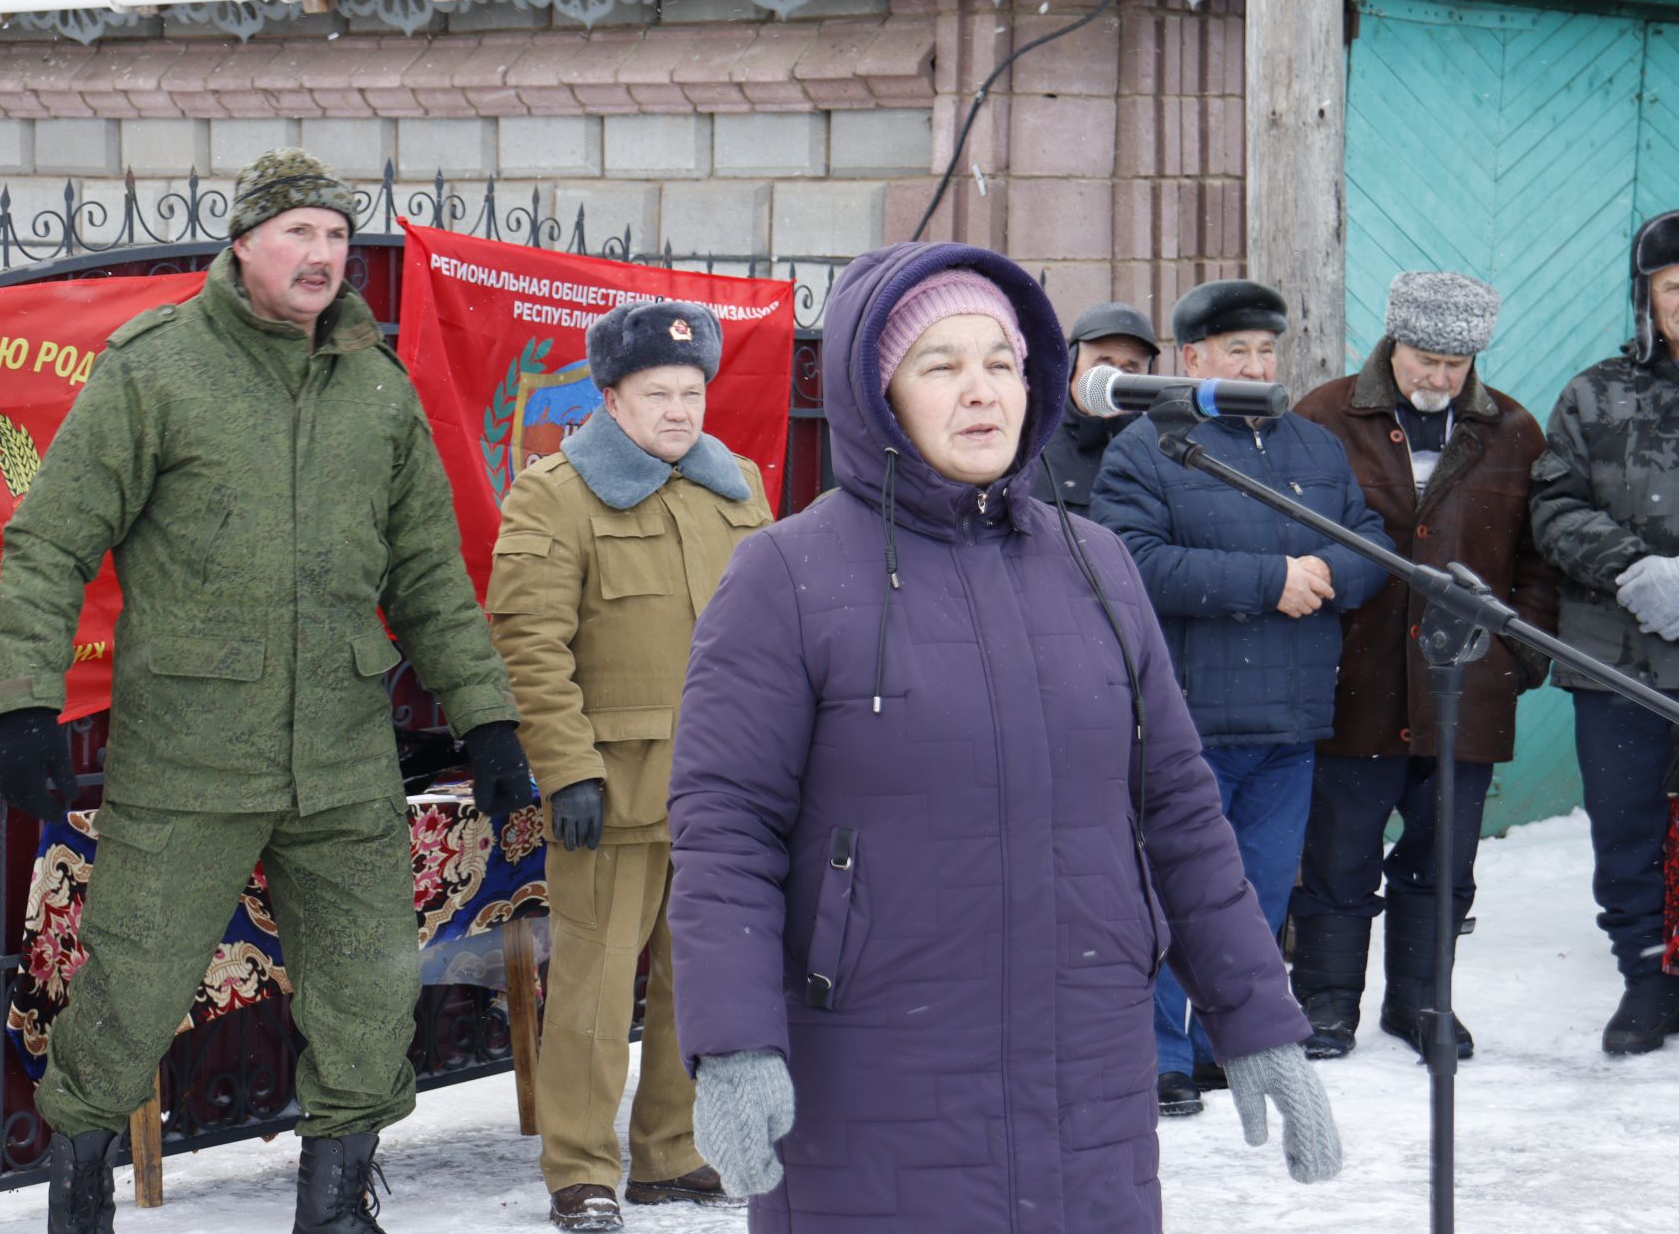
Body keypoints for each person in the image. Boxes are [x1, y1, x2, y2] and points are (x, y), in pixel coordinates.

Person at [666, 244, 1340, 1234]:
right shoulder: (787, 574)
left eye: (1002, 361)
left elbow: (1180, 812)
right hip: (878, 1070)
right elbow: (727, 829)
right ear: (876, 392)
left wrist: (1258, 1022)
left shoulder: (1097, 562)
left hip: (1088, 1078)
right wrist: (734, 1043)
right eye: (940, 365)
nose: (981, 391)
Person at [0, 148, 533, 1234]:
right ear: (244, 244)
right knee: (133, 983)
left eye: (336, 237)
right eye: (298, 234)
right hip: (189, 750)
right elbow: (53, 543)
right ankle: (81, 1190)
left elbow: (427, 574)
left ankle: (333, 1207)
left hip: (340, 750)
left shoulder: (377, 388)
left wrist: (492, 720)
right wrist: (25, 704)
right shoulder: (157, 368)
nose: (322, 255)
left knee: (372, 989)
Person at [487, 300, 773, 1231]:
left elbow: (779, 635)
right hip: (613, 790)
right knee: (593, 992)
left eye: (692, 392)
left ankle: (669, 1152)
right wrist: (566, 768)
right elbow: (530, 643)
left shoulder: (737, 492)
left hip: (728, 785)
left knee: (703, 984)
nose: (681, 410)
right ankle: (581, 1169)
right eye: (659, 393)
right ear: (610, 397)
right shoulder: (555, 494)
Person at [1091, 279, 1392, 1116]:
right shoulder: (1151, 446)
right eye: (1237, 351)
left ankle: (1227, 1042)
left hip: (1290, 722)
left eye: (1266, 349)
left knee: (1256, 896)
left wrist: (1331, 573)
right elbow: (1134, 563)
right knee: (1171, 894)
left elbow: (1370, 539)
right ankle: (1159, 1057)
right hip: (1190, 722)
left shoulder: (1314, 446)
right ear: (1194, 361)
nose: (1257, 364)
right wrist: (1270, 582)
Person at [1290, 271, 1557, 1062]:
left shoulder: (1513, 430)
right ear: (1393, 341)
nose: (1440, 377)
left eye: (1458, 362)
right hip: (1353, 679)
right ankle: (1327, 1006)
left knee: (1443, 861)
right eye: (1426, 358)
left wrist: (1520, 652)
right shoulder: (1327, 415)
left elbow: (1538, 561)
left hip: (1466, 687)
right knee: (1337, 856)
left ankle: (1422, 1005)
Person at [1531, 208, 1679, 1055]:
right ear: (1647, 298)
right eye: (1673, 288)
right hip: (1617, 658)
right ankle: (1647, 981)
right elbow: (1553, 505)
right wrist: (1631, 568)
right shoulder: (1596, 393)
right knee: (1625, 826)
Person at [1038, 301, 1158, 514]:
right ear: (1071, 365)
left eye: (1130, 370)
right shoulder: (1033, 445)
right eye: (1103, 365)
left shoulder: (1161, 450)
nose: (1113, 379)